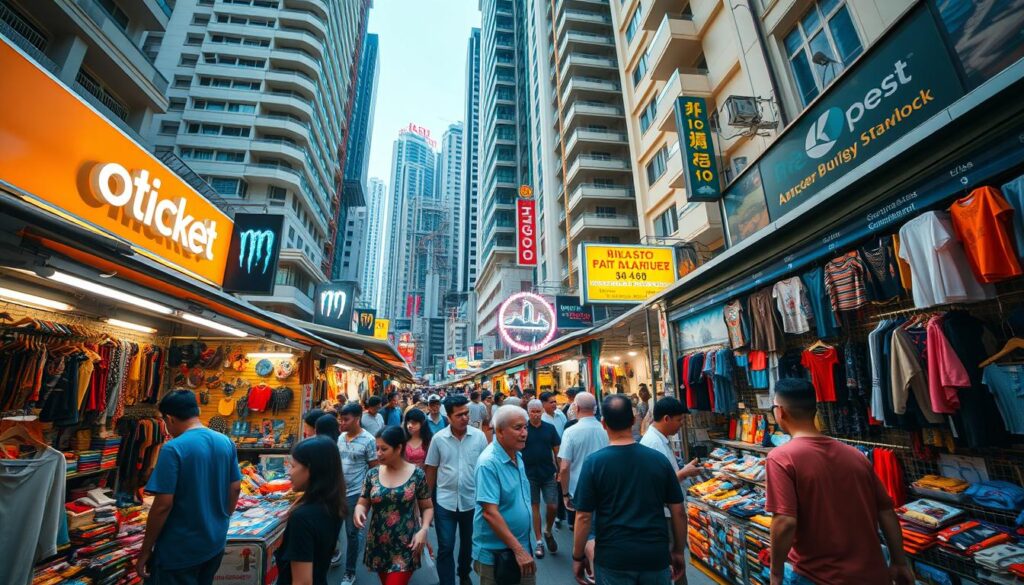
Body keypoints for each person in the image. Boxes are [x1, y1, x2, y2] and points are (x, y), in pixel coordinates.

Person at [767, 379, 914, 585]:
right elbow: (886, 511)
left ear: (780, 412)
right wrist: (899, 562)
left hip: (819, 577)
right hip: (873, 574)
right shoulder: (855, 455)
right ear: (814, 410)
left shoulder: (781, 458)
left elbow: (785, 522)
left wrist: (776, 573)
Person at [572, 394, 686, 585]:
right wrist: (678, 551)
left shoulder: (594, 463)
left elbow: (583, 516)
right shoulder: (658, 460)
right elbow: (679, 511)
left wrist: (577, 556)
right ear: (633, 420)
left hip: (613, 557)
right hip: (654, 556)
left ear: (603, 423)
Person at [137, 390, 242, 584]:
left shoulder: (173, 448)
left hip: (180, 549)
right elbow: (235, 487)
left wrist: (145, 550)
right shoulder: (225, 442)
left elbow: (163, 505)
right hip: (214, 544)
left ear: (169, 419)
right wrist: (221, 519)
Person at [354, 426, 434, 585]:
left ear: (399, 448)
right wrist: (359, 510)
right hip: (378, 544)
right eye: (377, 448)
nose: (378, 453)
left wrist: (424, 529)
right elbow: (363, 502)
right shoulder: (372, 475)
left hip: (406, 544)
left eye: (384, 449)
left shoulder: (417, 474)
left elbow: (427, 507)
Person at [425, 394, 488, 585]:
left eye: (466, 414)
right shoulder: (438, 439)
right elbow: (431, 469)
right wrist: (426, 502)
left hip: (472, 501)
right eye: (459, 415)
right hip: (445, 502)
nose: (465, 418)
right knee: (445, 546)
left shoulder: (479, 437)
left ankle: (464, 572)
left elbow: (485, 468)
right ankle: (447, 581)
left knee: (468, 544)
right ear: (449, 417)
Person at [641, 396, 702, 585]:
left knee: (676, 563)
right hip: (666, 514)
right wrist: (683, 473)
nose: (681, 424)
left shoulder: (659, 440)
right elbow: (656, 485)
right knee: (673, 561)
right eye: (679, 420)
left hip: (669, 512)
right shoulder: (652, 443)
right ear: (666, 419)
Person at [472, 405, 537, 585]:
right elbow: (489, 513)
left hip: (521, 548)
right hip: (497, 555)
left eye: (526, 427)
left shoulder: (517, 455)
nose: (524, 433)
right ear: (499, 432)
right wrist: (519, 551)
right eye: (518, 428)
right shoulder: (488, 464)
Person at [276, 437, 346, 585]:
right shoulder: (332, 504)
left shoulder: (302, 518)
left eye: (293, 466)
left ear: (310, 469)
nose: (289, 473)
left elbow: (302, 582)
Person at [559, 391, 608, 569]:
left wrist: (564, 494)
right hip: (604, 489)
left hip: (579, 490)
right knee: (600, 530)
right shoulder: (604, 430)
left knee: (586, 532)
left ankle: (592, 569)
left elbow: (564, 467)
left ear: (576, 407)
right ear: (595, 409)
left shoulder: (571, 432)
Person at [335, 403, 380, 585]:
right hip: (337, 493)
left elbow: (374, 469)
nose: (342, 423)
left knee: (352, 533)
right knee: (334, 530)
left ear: (357, 418)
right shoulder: (340, 438)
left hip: (356, 494)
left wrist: (370, 497)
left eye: (346, 419)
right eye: (341, 419)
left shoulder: (369, 440)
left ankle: (350, 572)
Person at [523, 399, 560, 559]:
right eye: (533, 411)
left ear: (542, 412)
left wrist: (559, 470)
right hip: (529, 474)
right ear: (528, 412)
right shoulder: (523, 429)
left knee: (552, 506)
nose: (536, 415)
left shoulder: (550, 429)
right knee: (535, 507)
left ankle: (548, 530)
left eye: (538, 411)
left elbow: (557, 451)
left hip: (548, 473)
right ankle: (539, 542)